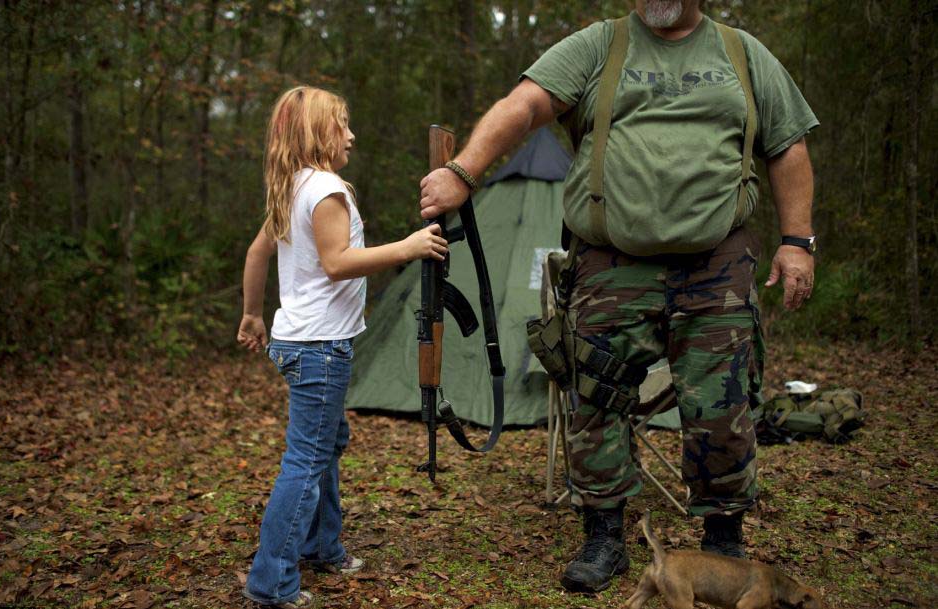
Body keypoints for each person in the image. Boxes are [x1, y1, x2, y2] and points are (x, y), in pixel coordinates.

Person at [419, 0, 818, 595]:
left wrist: (797, 242)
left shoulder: (743, 54)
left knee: (722, 402)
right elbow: (524, 105)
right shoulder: (598, 46)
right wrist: (465, 170)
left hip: (715, 263)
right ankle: (604, 534)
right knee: (596, 398)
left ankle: (722, 540)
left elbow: (788, 147)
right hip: (611, 263)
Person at [237, 86, 448, 608]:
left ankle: (322, 546)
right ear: (316, 133)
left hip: (299, 341)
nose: (351, 135)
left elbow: (257, 251)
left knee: (325, 445)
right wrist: (408, 246)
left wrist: (251, 314)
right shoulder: (326, 188)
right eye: (342, 125)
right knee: (307, 459)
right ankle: (271, 583)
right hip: (319, 347)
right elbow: (336, 262)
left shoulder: (291, 187)